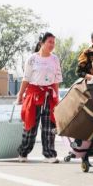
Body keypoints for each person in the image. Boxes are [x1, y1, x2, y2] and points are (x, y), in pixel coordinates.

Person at [16, 32, 62, 163]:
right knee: (30, 124)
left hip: (49, 95)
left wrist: (57, 98)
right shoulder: (32, 59)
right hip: (33, 94)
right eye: (49, 42)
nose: (52, 45)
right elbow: (26, 78)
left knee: (49, 125)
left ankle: (49, 154)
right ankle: (23, 153)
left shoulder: (55, 59)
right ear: (41, 43)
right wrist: (20, 95)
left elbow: (56, 80)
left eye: (53, 42)